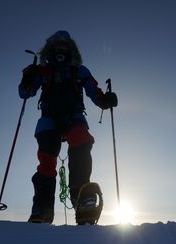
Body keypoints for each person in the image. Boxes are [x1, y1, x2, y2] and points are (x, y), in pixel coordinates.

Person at [18, 30, 117, 224]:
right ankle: (43, 207)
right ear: (51, 49)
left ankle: (81, 202)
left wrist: (105, 100)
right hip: (50, 119)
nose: (60, 49)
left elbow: (93, 91)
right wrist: (28, 79)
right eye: (57, 46)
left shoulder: (79, 71)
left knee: (81, 142)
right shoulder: (42, 71)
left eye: (64, 46)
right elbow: (25, 92)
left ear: (70, 49)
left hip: (73, 118)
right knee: (48, 152)